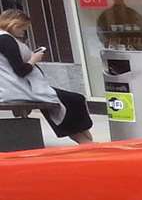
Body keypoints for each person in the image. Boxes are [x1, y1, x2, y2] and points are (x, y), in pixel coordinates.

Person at [0, 10, 94, 144]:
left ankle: (82, 136)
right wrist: (34, 58)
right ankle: (83, 137)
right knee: (72, 100)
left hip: (21, 87)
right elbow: (20, 70)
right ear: (14, 25)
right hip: (22, 88)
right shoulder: (6, 40)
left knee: (72, 100)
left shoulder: (5, 39)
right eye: (23, 29)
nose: (23, 33)